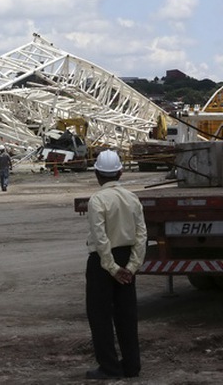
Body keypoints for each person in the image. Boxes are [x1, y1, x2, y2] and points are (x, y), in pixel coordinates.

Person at [84, 150, 147, 380]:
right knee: (127, 315)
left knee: (100, 316)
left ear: (97, 175)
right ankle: (132, 366)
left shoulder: (97, 200)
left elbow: (101, 239)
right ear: (120, 173)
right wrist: (131, 267)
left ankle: (109, 367)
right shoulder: (132, 199)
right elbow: (141, 236)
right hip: (126, 259)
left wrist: (111, 268)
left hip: (103, 263)